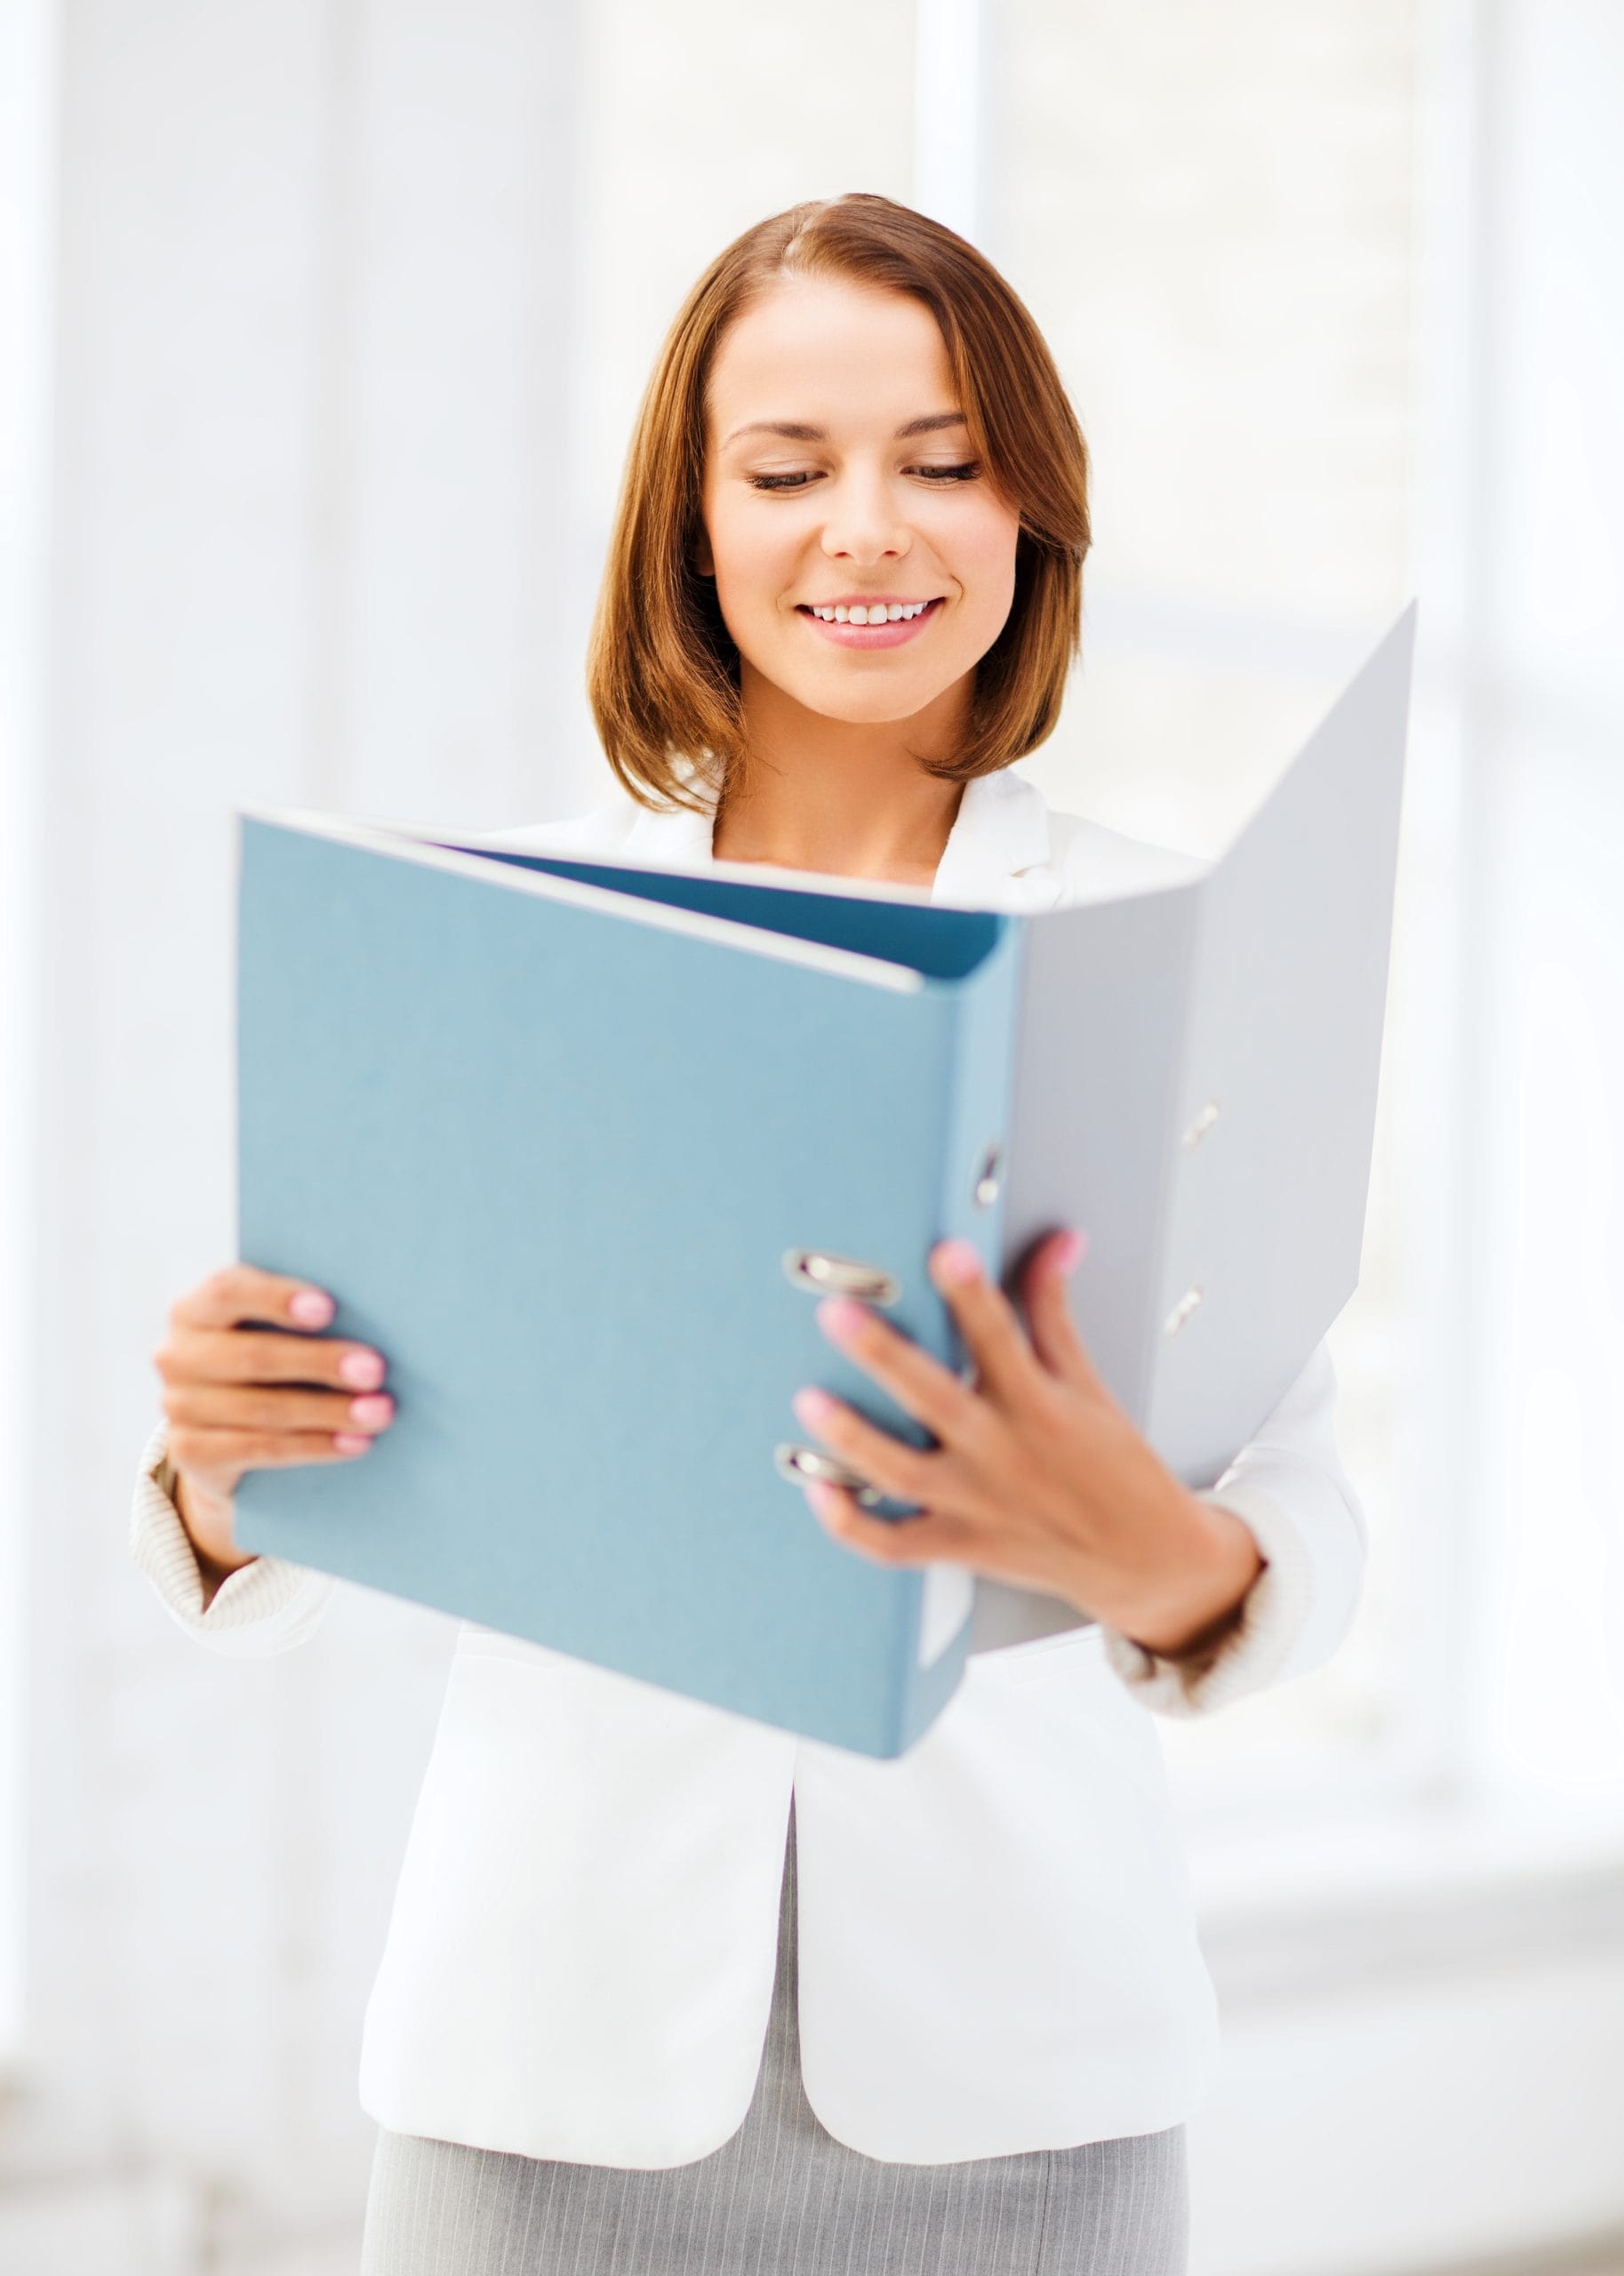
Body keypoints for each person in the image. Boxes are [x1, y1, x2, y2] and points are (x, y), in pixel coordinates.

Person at [132, 194, 1366, 2275]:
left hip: (1026, 2080)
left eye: (943, 461)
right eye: (785, 470)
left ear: (1030, 513)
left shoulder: (1178, 947)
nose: (865, 527)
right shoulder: (499, 935)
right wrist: (217, 1474)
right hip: (542, 2061)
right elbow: (320, 1477)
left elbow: (1300, 1504)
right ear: (690, 526)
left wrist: (1145, 1557)